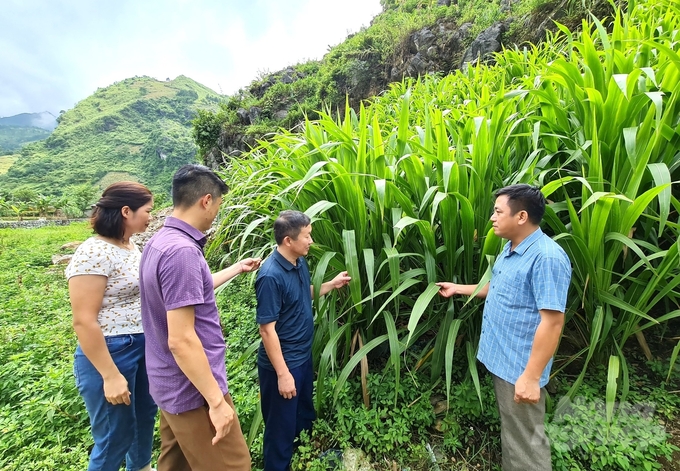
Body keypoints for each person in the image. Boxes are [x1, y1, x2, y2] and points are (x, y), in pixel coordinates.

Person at [436, 184, 571, 471]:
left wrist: (531, 378)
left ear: (521, 216)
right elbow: (499, 288)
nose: (492, 218)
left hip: (521, 368)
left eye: (498, 212)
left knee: (525, 444)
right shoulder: (512, 249)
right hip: (506, 361)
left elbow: (553, 321)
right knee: (514, 433)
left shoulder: (546, 258)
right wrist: (458, 288)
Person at [139, 164, 260, 471]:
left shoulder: (160, 242)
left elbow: (191, 291)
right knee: (233, 465)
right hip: (193, 390)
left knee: (176, 463)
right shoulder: (182, 253)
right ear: (206, 200)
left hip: (168, 384)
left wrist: (235, 268)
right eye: (218, 205)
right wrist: (217, 403)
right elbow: (181, 340)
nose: (216, 214)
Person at [66, 181, 158, 471]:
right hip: (111, 352)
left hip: (143, 346)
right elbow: (83, 320)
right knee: (115, 436)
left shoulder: (132, 247)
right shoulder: (93, 252)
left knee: (144, 422)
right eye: (148, 210)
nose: (151, 216)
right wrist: (110, 375)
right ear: (126, 211)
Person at [255, 210, 351, 471]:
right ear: (288, 240)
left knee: (302, 413)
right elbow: (267, 330)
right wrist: (283, 374)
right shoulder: (269, 276)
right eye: (307, 236)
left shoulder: (299, 261)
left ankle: (304, 454)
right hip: (283, 363)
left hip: (302, 357)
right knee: (280, 426)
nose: (311, 241)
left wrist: (330, 284)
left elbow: (301, 293)